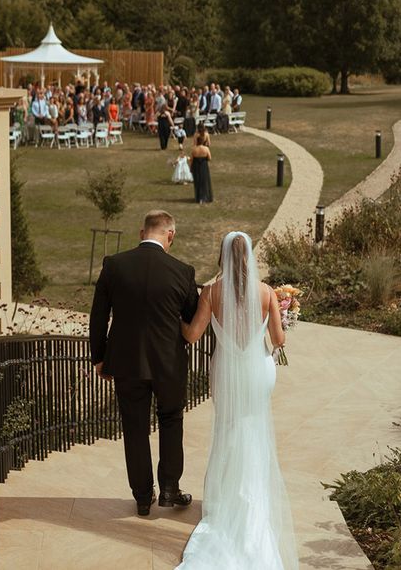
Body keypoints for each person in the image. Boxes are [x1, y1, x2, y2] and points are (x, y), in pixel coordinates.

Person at [176, 232, 297, 570]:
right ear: (249, 258)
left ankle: (227, 496)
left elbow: (192, 334)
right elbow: (278, 339)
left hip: (227, 372)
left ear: (222, 257)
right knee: (254, 426)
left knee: (229, 428)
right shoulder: (267, 292)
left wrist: (175, 316)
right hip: (258, 372)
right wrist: (283, 316)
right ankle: (251, 493)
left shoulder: (212, 293)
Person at [89, 210, 199, 517]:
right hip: (169, 364)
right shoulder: (183, 271)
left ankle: (141, 497)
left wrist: (99, 357)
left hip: (126, 363)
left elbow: (98, 316)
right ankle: (169, 490)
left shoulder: (114, 266)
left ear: (142, 232)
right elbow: (191, 321)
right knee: (171, 420)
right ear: (170, 235)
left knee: (134, 428)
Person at [190, 132, 213, 204]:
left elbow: (191, 159)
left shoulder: (194, 149)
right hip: (203, 165)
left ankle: (198, 197)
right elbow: (209, 158)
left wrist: (191, 168)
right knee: (204, 181)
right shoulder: (206, 149)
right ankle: (205, 197)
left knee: (197, 181)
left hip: (196, 166)